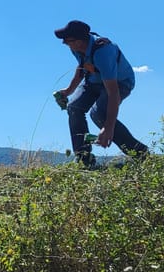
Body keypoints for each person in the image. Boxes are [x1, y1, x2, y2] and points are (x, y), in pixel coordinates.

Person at [54, 20, 148, 167]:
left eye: (67, 40)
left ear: (79, 41)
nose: (64, 43)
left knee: (98, 114)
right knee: (74, 107)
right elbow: (82, 67)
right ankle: (84, 159)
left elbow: (113, 92)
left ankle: (142, 155)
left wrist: (108, 128)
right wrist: (68, 90)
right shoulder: (76, 48)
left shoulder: (104, 52)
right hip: (93, 81)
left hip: (120, 82)